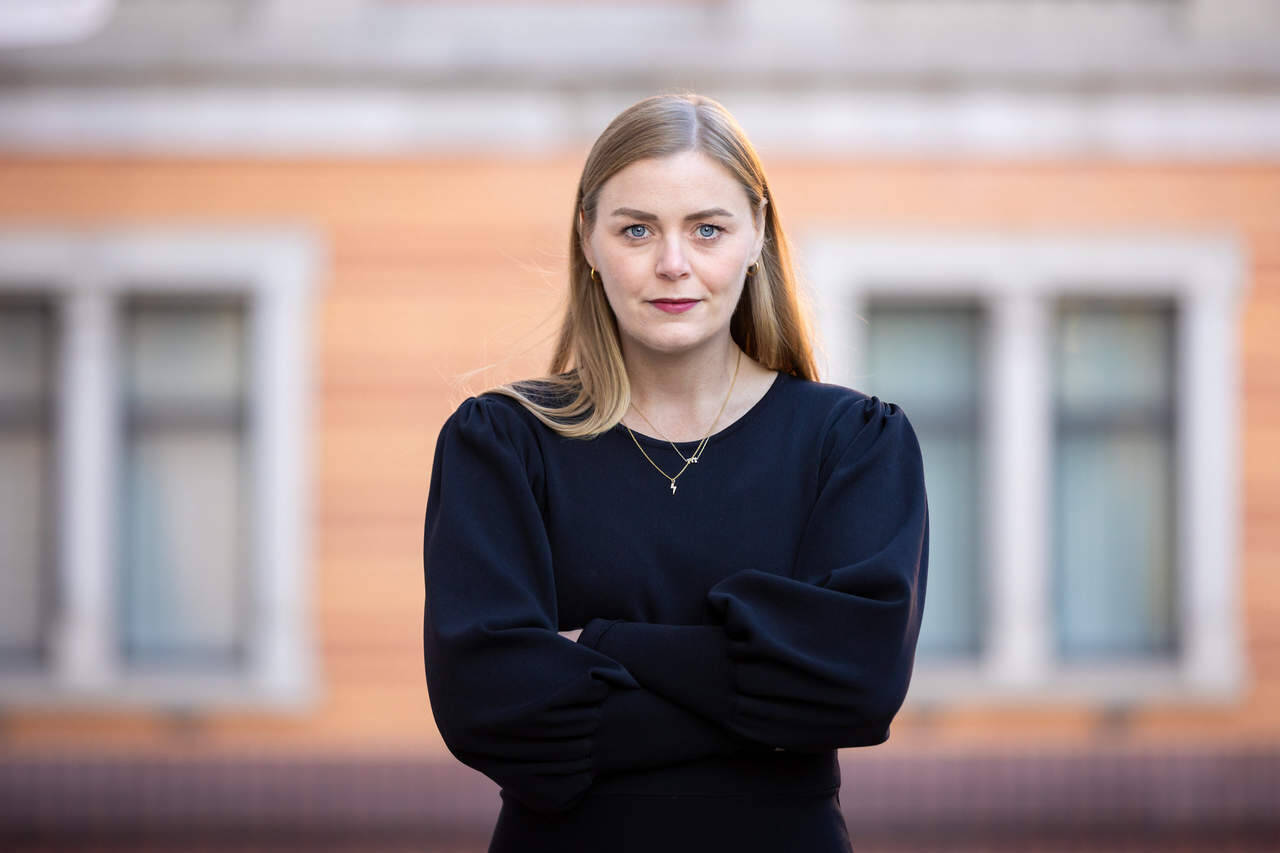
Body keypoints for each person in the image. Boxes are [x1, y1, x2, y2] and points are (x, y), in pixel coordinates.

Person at [422, 92, 929, 853]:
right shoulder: (502, 444)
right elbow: (487, 705)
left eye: (707, 229)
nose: (672, 264)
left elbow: (853, 687)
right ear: (588, 242)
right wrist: (754, 691)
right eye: (636, 229)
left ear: (756, 234)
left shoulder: (853, 444)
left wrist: (606, 643)